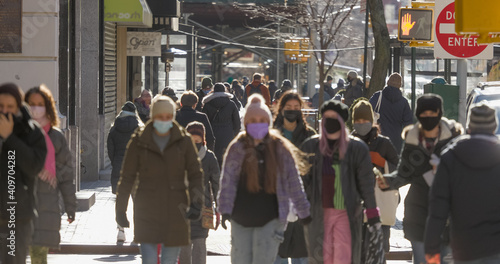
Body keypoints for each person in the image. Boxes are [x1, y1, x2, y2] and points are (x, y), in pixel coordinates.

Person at [218, 94, 311, 264]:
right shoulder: (237, 148)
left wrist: (304, 211)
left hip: (271, 220)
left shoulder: (279, 147)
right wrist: (224, 208)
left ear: (268, 121)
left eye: (262, 119)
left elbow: (294, 181)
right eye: (253, 120)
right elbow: (228, 181)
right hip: (241, 219)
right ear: (246, 123)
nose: (257, 123)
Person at [115, 95, 203, 264]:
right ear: (153, 117)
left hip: (176, 210)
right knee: (148, 259)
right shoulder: (139, 140)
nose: (164, 120)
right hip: (147, 209)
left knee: (169, 260)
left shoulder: (183, 140)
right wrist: (120, 209)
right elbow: (127, 177)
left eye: (168, 117)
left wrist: (196, 202)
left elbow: (195, 174)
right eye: (160, 117)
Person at [378, 94, 463, 264]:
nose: (428, 117)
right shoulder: (412, 139)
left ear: (440, 113)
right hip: (418, 212)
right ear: (417, 114)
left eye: (433, 113)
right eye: (424, 114)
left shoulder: (453, 138)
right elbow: (404, 173)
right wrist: (387, 182)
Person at [300, 99, 381, 264]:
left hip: (347, 211)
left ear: (342, 121)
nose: (329, 121)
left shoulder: (356, 149)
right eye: (326, 118)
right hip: (318, 211)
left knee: (344, 256)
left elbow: (366, 182)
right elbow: (302, 180)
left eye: (333, 117)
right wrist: (302, 207)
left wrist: (372, 212)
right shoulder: (311, 146)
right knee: (321, 256)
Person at [425, 103, 500, 264]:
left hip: (464, 248)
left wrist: (431, 248)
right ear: (494, 128)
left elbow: (438, 208)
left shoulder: (450, 157)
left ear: (469, 127)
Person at [24, 85, 77, 263]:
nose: (36, 108)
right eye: (31, 104)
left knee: (38, 256)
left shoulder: (56, 138)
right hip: (19, 206)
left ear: (47, 107)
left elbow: (66, 176)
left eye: (40, 104)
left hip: (46, 208)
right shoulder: (18, 135)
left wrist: (70, 206)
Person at [0, 83, 47, 264]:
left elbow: (34, 166)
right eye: (1, 107)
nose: (4, 112)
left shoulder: (32, 132)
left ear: (18, 107)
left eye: (10, 107)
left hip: (17, 217)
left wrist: (9, 138)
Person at [273, 91, 316, 264]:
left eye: (296, 107)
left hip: (304, 206)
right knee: (277, 255)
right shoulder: (271, 136)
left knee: (302, 255)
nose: (292, 110)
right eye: (288, 107)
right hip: (276, 206)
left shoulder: (310, 136)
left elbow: (317, 170)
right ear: (281, 109)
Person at [351, 100, 399, 253]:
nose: (361, 124)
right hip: (355, 206)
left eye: (365, 120)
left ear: (372, 121)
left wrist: (382, 162)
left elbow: (400, 171)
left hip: (380, 205)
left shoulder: (383, 143)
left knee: (378, 252)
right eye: (358, 121)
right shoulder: (348, 143)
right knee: (357, 252)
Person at [179, 122, 220, 264]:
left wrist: (219, 208)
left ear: (203, 140)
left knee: (199, 243)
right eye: (191, 140)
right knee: (185, 244)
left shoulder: (209, 158)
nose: (194, 144)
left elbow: (216, 184)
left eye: (197, 141)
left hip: (203, 209)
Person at [107, 101, 144, 242]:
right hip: (137, 170)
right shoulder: (140, 128)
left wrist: (116, 162)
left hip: (119, 167)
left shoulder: (114, 128)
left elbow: (110, 151)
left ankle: (121, 231)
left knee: (121, 201)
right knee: (138, 202)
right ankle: (137, 233)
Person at [369, 72, 413, 152]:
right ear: (400, 85)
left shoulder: (378, 96)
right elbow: (408, 122)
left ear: (388, 82)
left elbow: (368, 110)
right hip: (396, 139)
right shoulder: (404, 102)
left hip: (379, 136)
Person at [202, 83, 241, 167]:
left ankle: (215, 177)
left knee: (213, 158)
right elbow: (237, 123)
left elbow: (204, 122)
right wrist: (234, 134)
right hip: (228, 135)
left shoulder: (207, 104)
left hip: (212, 135)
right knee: (226, 159)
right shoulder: (231, 104)